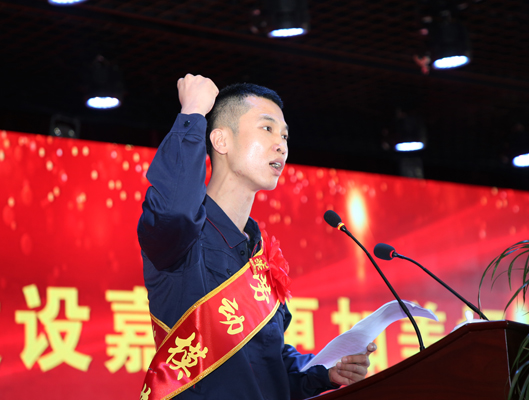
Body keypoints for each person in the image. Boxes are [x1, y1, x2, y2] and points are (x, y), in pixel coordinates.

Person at [138, 74, 375, 399]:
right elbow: (174, 210)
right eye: (267, 128)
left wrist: (324, 372)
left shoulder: (259, 256)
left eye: (284, 135)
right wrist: (192, 112)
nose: (281, 144)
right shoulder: (183, 240)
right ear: (221, 141)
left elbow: (267, 366)